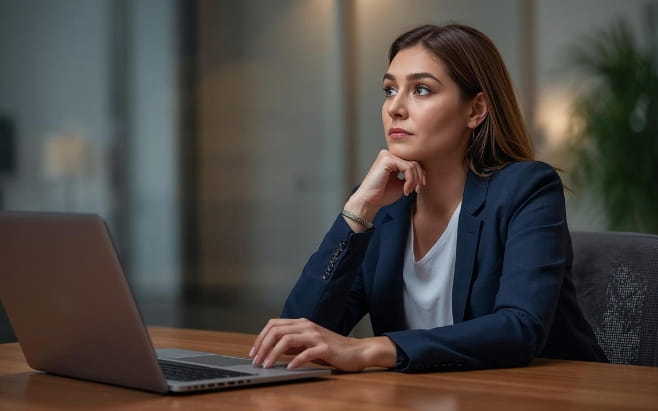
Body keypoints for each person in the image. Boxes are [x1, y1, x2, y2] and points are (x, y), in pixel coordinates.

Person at [249, 23, 607, 372]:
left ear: (475, 110)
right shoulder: (383, 209)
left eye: (421, 90)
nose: (395, 108)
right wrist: (356, 213)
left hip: (543, 395)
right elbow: (299, 333)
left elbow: (519, 328)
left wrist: (370, 349)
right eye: (390, 90)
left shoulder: (526, 187)